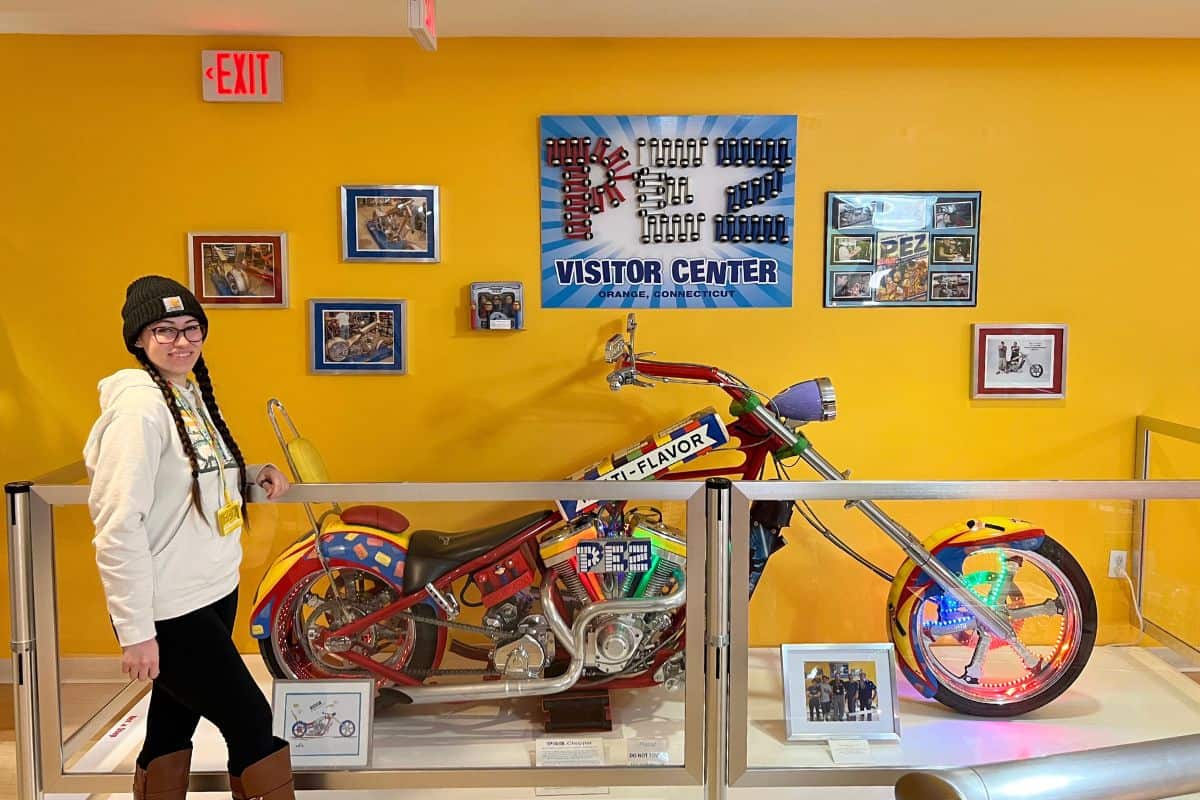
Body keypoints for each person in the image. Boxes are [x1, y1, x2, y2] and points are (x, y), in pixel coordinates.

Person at [84, 276, 294, 800]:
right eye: (164, 330)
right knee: (250, 719)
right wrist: (134, 630)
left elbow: (187, 477)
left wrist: (251, 475)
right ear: (138, 339)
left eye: (190, 328)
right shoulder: (138, 412)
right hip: (169, 604)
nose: (181, 341)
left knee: (171, 725)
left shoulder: (184, 392)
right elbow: (116, 524)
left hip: (213, 588)